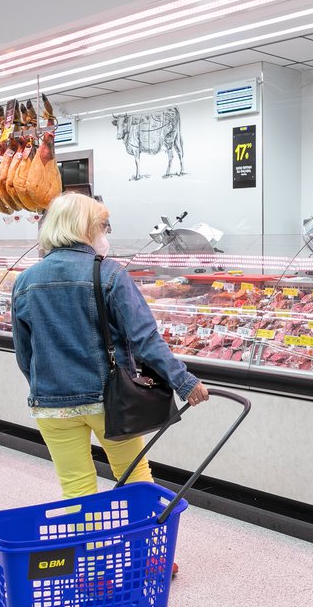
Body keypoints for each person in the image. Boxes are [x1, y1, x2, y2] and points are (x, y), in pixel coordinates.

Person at [11, 192, 209, 501]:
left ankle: (87, 549)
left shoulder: (25, 280)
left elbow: (25, 353)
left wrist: (47, 387)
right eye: (103, 226)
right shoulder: (108, 273)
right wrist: (184, 382)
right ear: (84, 227)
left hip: (51, 404)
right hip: (109, 400)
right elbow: (144, 339)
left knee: (76, 488)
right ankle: (142, 548)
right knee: (135, 480)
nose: (105, 233)